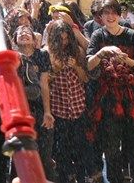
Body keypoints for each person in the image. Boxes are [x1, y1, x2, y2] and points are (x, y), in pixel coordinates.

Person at [86, 0, 134, 183]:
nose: (110, 16)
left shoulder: (132, 35)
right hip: (107, 98)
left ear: (119, 14)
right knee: (111, 147)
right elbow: (89, 65)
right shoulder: (98, 36)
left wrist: (128, 60)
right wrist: (100, 53)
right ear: (100, 16)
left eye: (113, 12)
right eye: (105, 13)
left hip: (131, 96)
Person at [45, 19, 89, 183]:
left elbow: (85, 79)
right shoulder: (47, 53)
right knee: (62, 152)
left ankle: (81, 178)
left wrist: (76, 66)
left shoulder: (77, 51)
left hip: (78, 107)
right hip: (59, 108)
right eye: (60, 39)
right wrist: (55, 69)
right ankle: (65, 178)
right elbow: (44, 83)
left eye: (66, 38)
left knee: (80, 150)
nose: (64, 42)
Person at [13, 25, 55, 177]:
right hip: (19, 113)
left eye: (27, 32)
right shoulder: (12, 58)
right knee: (20, 158)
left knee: (44, 156)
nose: (24, 34)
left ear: (34, 39)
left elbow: (44, 84)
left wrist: (47, 112)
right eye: (20, 33)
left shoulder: (42, 55)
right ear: (15, 40)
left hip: (38, 108)